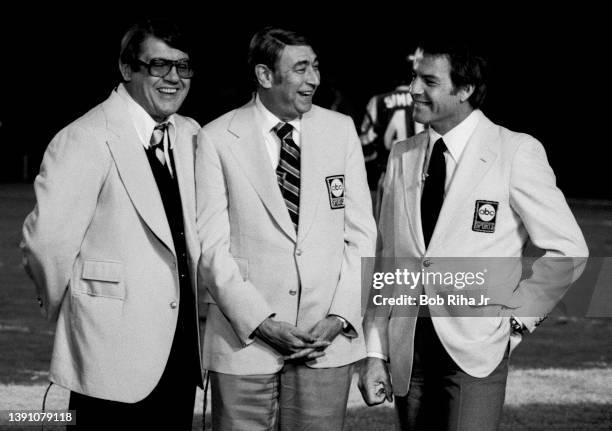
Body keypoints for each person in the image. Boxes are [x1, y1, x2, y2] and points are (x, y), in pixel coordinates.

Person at [359, 40, 588, 430]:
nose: (414, 89)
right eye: (415, 77)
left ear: (464, 90)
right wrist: (375, 352)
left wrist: (516, 321)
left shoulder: (515, 151)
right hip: (407, 354)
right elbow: (387, 261)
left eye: (429, 81)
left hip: (476, 352)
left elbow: (568, 250)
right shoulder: (401, 155)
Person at [21, 18, 202, 430]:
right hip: (108, 354)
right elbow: (45, 243)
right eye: (159, 66)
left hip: (178, 355)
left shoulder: (190, 135)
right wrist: (75, 309)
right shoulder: (85, 137)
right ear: (127, 69)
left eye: (183, 66)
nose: (174, 78)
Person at [196, 27, 376, 430]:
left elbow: (362, 236)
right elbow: (211, 248)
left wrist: (339, 318)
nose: (313, 79)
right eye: (300, 68)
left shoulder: (340, 129)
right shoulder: (215, 138)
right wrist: (260, 322)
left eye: (315, 66)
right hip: (244, 342)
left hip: (324, 343)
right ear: (264, 75)